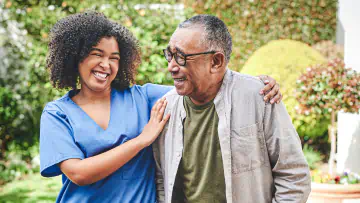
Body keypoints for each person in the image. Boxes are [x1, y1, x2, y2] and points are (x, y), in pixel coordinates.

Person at [40, 12, 282, 203]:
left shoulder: (143, 97)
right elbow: (79, 173)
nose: (106, 64)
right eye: (97, 54)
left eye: (114, 57)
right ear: (75, 57)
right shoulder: (58, 113)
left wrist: (258, 83)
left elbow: (200, 82)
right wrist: (141, 140)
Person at [153, 14, 311, 203]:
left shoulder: (260, 97)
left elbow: (293, 176)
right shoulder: (165, 107)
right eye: (170, 55)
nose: (171, 66)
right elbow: (162, 178)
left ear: (216, 62)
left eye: (181, 57)